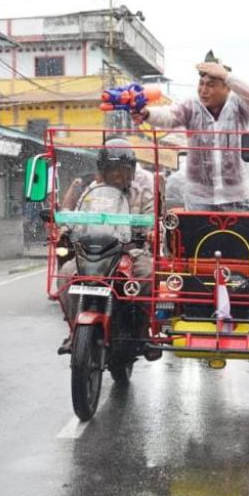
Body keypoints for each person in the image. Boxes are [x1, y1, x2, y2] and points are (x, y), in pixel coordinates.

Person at [56, 139, 155, 353]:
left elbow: (153, 217)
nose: (120, 176)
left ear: (132, 172)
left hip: (131, 253)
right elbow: (77, 217)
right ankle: (74, 331)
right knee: (65, 273)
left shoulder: (142, 193)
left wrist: (150, 230)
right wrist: (67, 228)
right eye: (113, 171)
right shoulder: (92, 192)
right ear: (103, 171)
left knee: (147, 275)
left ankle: (142, 333)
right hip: (93, 254)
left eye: (125, 171)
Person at [133, 50, 249, 211]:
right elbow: (169, 115)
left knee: (245, 235)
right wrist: (147, 113)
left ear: (227, 88)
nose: (203, 90)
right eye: (201, 84)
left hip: (238, 196)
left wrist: (226, 75)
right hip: (199, 198)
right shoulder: (192, 104)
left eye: (211, 85)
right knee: (196, 236)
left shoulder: (239, 105)